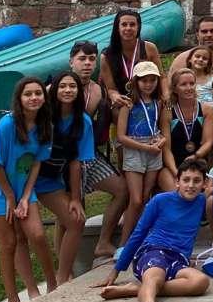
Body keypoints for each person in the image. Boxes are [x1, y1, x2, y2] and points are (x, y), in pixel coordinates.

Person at [98, 158, 211, 302]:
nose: (191, 185)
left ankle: (137, 289)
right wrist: (117, 270)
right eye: (186, 180)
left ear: (204, 183)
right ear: (177, 182)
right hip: (153, 250)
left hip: (179, 258)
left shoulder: (201, 201)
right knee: (156, 274)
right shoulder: (160, 200)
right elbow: (138, 233)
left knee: (200, 282)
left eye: (196, 181)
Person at [0, 77, 57, 302]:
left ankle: (53, 285)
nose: (34, 98)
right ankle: (15, 299)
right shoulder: (7, 124)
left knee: (37, 235)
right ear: (19, 98)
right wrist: (10, 197)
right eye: (28, 94)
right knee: (10, 242)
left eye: (38, 93)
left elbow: (36, 162)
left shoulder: (45, 125)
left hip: (23, 187)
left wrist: (25, 196)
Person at [68, 39, 128, 263]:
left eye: (91, 59)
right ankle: (68, 266)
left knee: (122, 190)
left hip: (89, 154)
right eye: (82, 59)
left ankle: (103, 242)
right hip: (65, 158)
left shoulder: (97, 90)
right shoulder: (58, 86)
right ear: (71, 62)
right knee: (72, 213)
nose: (87, 63)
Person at [33, 72, 93, 284]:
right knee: (29, 235)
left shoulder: (83, 122)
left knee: (76, 221)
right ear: (54, 89)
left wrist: (75, 198)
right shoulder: (41, 115)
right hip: (23, 179)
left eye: (73, 86)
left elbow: (76, 163)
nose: (68, 90)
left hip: (49, 180)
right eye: (63, 86)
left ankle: (63, 276)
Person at [116, 61, 166, 248]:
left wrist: (160, 141)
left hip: (154, 148)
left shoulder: (158, 103)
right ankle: (124, 244)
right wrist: (145, 148)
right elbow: (121, 136)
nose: (148, 84)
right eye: (144, 80)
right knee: (136, 200)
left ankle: (139, 240)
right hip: (135, 149)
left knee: (145, 198)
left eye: (152, 80)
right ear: (135, 82)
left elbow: (161, 130)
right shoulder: (128, 104)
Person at [159, 68, 213, 190]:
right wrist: (177, 174)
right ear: (175, 89)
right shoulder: (168, 112)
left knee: (198, 192)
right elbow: (166, 149)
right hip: (173, 165)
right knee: (178, 192)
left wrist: (196, 156)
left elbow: (208, 142)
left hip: (197, 162)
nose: (189, 87)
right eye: (183, 84)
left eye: (192, 83)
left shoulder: (206, 110)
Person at [100, 8, 163, 113]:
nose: (128, 28)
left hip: (147, 98)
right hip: (123, 103)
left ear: (138, 27)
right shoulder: (106, 56)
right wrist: (115, 96)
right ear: (117, 28)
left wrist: (166, 95)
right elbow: (111, 89)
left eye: (132, 25)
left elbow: (162, 76)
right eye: (124, 24)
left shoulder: (150, 48)